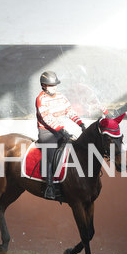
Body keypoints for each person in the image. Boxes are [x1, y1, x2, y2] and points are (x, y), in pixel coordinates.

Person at [36, 71, 86, 199]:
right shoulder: (41, 99)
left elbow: (70, 111)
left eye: (55, 85)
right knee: (51, 153)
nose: (54, 87)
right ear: (44, 86)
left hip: (60, 130)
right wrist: (62, 131)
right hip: (47, 132)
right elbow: (47, 118)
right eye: (51, 85)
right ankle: (49, 187)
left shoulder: (61, 97)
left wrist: (81, 124)